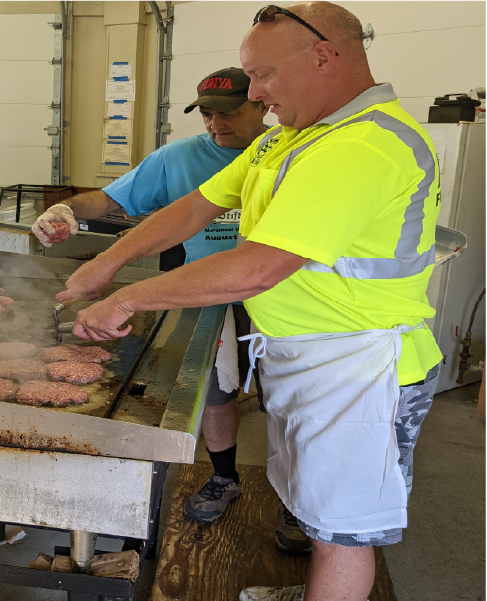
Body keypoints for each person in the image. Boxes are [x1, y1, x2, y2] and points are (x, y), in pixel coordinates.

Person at [54, 3, 443, 600]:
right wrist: (107, 261)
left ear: (322, 56)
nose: (255, 94)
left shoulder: (364, 145)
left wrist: (129, 298)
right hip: (306, 357)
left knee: (343, 530)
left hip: (361, 367)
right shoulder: (290, 139)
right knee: (309, 503)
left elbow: (256, 268)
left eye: (262, 75)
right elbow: (196, 205)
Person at [31, 69, 308, 547]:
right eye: (206, 113)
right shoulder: (179, 158)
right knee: (215, 392)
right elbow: (114, 198)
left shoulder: (289, 154)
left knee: (289, 400)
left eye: (229, 112)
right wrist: (68, 211)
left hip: (281, 295)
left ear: (261, 105)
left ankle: (299, 505)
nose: (215, 124)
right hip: (198, 295)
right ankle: (225, 477)